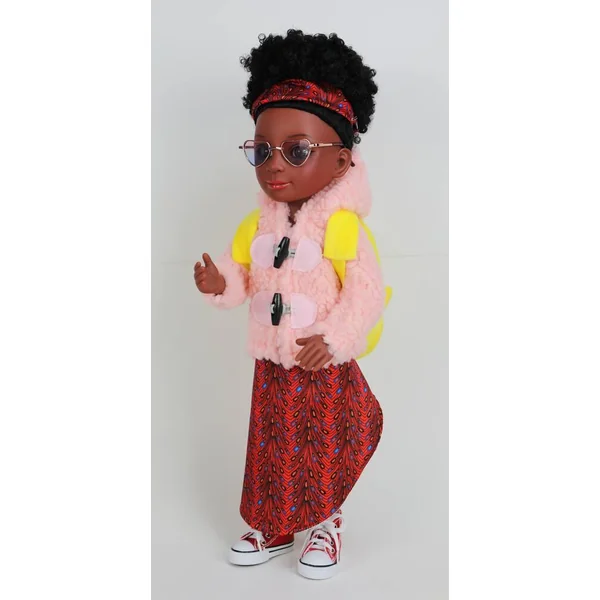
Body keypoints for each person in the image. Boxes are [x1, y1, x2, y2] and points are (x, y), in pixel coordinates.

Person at [194, 29, 386, 580]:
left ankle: (325, 521)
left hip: (319, 360)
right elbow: (242, 273)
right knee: (270, 447)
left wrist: (336, 338)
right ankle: (273, 523)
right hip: (271, 360)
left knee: (322, 447)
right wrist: (220, 283)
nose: (274, 165)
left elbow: (366, 293)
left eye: (297, 150)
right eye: (262, 151)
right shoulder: (258, 225)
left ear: (342, 161)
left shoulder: (343, 228)